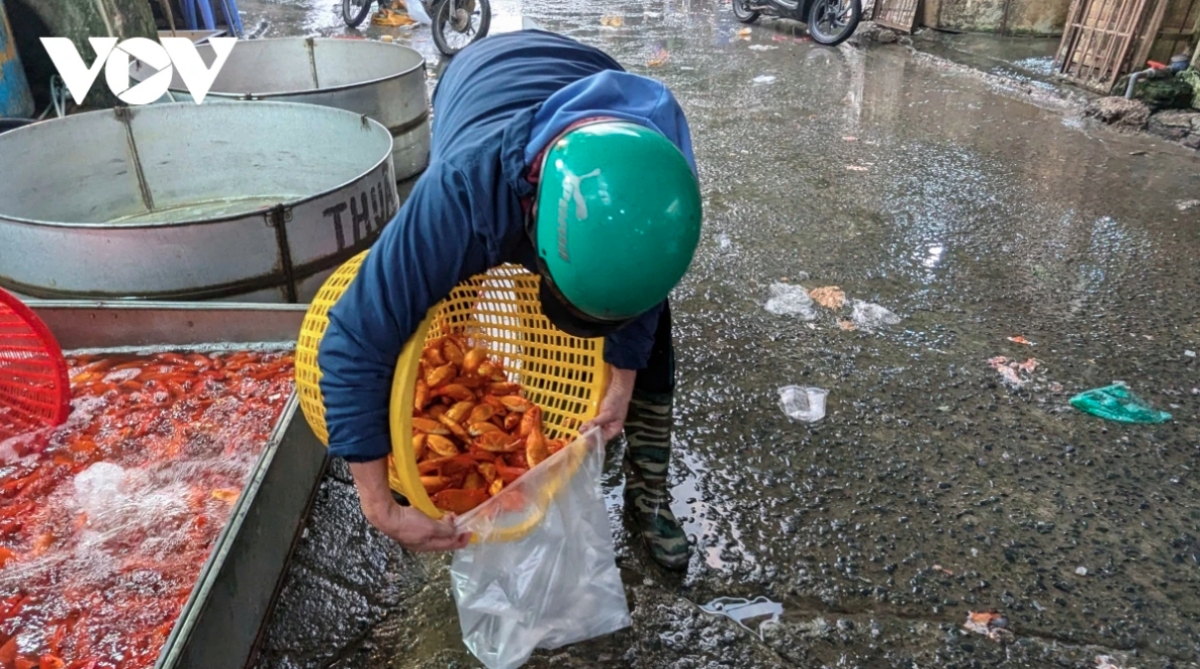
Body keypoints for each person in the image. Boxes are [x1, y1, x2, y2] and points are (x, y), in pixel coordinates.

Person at [317, 29, 702, 571]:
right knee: (436, 284)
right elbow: (355, 338)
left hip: (587, 70)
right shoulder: (462, 192)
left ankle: (649, 496)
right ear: (531, 228)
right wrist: (379, 505)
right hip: (475, 78)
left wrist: (620, 389)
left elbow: (641, 294)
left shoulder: (660, 187)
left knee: (649, 331)